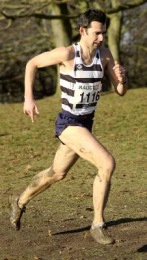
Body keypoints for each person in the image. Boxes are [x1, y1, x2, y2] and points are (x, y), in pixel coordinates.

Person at [10, 8, 127, 245]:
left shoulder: (104, 55)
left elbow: (120, 91)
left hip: (86, 123)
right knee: (107, 163)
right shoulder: (66, 54)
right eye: (96, 33)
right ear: (82, 31)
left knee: (57, 173)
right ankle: (98, 224)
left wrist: (121, 77)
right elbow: (32, 64)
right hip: (69, 123)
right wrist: (28, 99)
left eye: (103, 33)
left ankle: (20, 201)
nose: (101, 38)